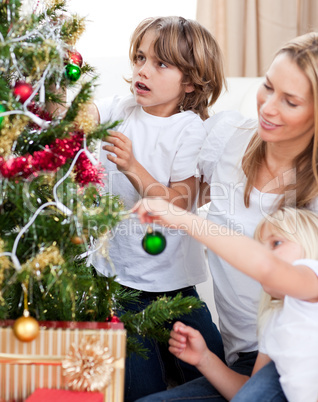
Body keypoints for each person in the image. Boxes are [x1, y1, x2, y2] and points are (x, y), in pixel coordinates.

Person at [133, 31, 318, 401]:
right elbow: (178, 193)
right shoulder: (227, 137)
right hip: (250, 359)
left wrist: (181, 218)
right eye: (268, 86)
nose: (267, 107)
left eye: (290, 102)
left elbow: (273, 272)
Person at [86, 16, 227, 401]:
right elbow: (77, 118)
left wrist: (132, 166)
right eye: (139, 58)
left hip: (175, 286)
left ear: (191, 82)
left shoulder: (189, 128)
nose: (141, 71)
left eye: (160, 64)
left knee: (217, 374)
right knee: (140, 391)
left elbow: (179, 201)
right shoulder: (120, 107)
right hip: (119, 286)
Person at [134, 201, 318, 402]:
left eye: (276, 243)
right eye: (260, 247)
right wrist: (205, 358)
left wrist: (182, 219)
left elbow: (267, 266)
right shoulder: (274, 318)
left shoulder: (313, 280)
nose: (265, 253)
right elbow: (249, 392)